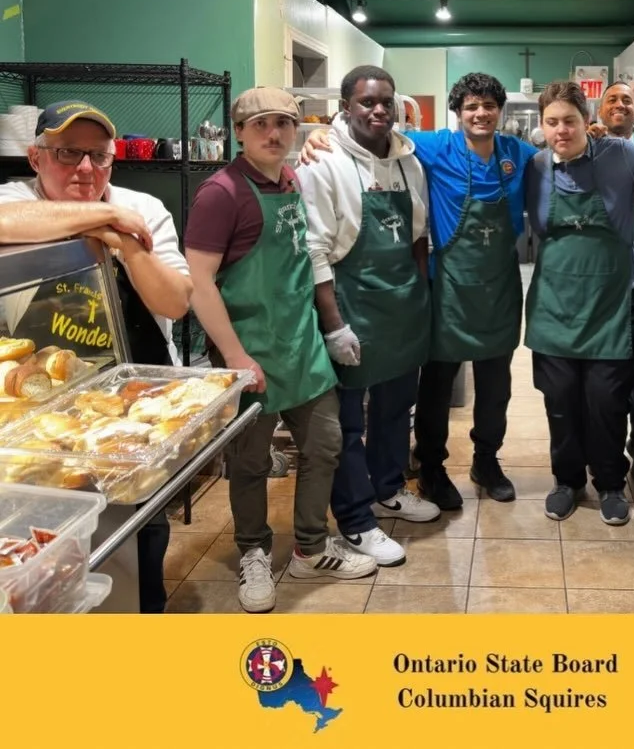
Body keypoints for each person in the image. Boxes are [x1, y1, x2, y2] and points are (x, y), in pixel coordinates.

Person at [301, 73, 537, 510]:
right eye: (470, 106)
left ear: (500, 110)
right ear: (457, 112)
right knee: (436, 386)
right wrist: (320, 132)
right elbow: (375, 130)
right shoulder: (430, 147)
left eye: (488, 105)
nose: (480, 113)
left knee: (496, 385)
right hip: (449, 290)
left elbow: (563, 156)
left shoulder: (521, 155)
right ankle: (430, 466)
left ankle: (486, 459)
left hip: (500, 291)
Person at [186, 87, 375, 612]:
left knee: (325, 447)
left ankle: (311, 547)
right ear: (239, 131)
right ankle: (253, 551)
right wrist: (236, 358)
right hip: (250, 355)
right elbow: (198, 283)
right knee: (249, 464)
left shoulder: (291, 178)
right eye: (262, 124)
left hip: (302, 347)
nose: (275, 134)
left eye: (285, 124)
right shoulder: (220, 194)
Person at [0, 100, 192, 613]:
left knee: (141, 532)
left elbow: (174, 301)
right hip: (40, 417)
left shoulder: (145, 209)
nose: (86, 169)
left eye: (99, 157)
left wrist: (127, 246)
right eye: (68, 154)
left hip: (135, 405)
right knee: (47, 544)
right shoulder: (16, 198)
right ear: (35, 157)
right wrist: (105, 215)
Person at [297, 66, 438, 569]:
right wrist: (333, 326)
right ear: (345, 107)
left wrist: (420, 295)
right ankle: (357, 520)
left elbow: (418, 234)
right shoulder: (324, 160)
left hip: (402, 310)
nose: (378, 111)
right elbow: (314, 249)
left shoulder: (408, 161)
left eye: (386, 102)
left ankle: (388, 489)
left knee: (397, 410)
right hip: (353, 306)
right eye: (366, 103)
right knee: (348, 424)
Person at [525, 81, 634, 524]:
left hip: (609, 305)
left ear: (588, 121)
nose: (562, 130)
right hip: (554, 305)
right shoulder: (536, 167)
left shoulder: (623, 156)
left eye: (571, 121)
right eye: (553, 122)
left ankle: (611, 482)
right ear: (542, 126)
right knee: (559, 400)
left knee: (606, 401)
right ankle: (567, 480)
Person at [591, 81, 634, 484]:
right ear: (599, 111)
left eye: (626, 100)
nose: (619, 105)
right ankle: (606, 449)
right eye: (611, 99)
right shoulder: (587, 150)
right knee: (606, 371)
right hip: (602, 280)